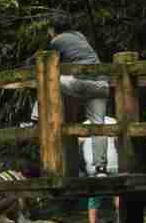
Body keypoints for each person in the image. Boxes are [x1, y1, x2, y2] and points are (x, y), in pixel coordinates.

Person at [41, 14, 119, 176]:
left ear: (52, 30)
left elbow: (48, 63)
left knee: (48, 80)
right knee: (98, 126)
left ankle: (34, 117)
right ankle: (100, 169)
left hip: (81, 82)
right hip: (101, 84)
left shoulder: (56, 41)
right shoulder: (80, 36)